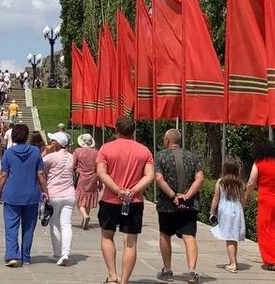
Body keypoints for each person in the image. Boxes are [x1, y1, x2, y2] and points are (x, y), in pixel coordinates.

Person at [97, 116, 155, 284]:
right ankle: (125, 280)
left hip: (110, 200)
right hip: (134, 201)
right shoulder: (144, 151)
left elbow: (101, 173)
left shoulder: (106, 149)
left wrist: (117, 190)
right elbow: (150, 176)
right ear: (133, 131)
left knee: (107, 236)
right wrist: (132, 190)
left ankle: (112, 275)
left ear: (116, 130)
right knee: (130, 242)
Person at [153, 128, 204, 284]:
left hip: (167, 205)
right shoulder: (193, 156)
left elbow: (159, 178)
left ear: (167, 141)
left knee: (165, 235)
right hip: (189, 205)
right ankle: (192, 272)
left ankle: (167, 270)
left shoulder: (160, 156)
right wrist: (186, 196)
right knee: (189, 236)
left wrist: (173, 196)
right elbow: (200, 178)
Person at [0, 123, 47, 267]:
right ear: (26, 136)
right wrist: (45, 190)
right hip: (31, 194)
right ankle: (26, 257)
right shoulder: (35, 152)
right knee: (29, 227)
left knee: (11, 226)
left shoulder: (9, 153)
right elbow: (40, 174)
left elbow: (4, 175)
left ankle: (12, 255)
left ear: (13, 136)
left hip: (12, 194)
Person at [246, 139, 275, 272]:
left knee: (266, 231)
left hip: (266, 201)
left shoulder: (258, 163)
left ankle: (273, 260)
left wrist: (247, 195)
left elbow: (251, 182)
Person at [44, 131, 77, 266]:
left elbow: (38, 164)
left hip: (54, 194)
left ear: (57, 144)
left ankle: (57, 253)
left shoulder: (51, 157)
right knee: (66, 224)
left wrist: (46, 151)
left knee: (55, 224)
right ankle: (65, 253)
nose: (50, 142)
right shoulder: (71, 157)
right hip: (69, 194)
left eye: (53, 141)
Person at [209, 158, 247, 273]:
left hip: (225, 210)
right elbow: (242, 199)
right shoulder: (240, 183)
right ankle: (233, 261)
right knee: (233, 237)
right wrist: (242, 208)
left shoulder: (221, 182)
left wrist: (212, 211)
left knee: (229, 238)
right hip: (237, 209)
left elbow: (216, 198)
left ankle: (233, 264)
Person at [74, 133, 100, 230]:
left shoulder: (77, 151)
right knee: (88, 198)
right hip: (93, 177)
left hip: (81, 176)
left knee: (79, 198)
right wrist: (100, 182)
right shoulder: (96, 153)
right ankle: (85, 219)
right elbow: (98, 167)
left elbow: (73, 164)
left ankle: (84, 215)